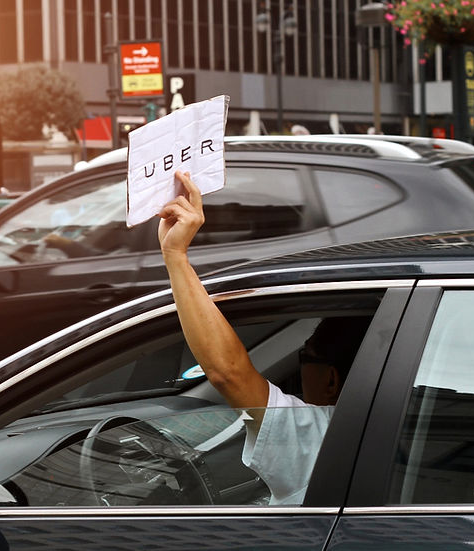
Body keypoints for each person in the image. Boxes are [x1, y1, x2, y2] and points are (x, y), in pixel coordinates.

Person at [158, 170, 370, 505]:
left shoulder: (324, 440)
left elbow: (228, 372)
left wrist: (176, 257)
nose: (298, 370)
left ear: (331, 380)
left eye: (306, 355)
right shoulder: (398, 432)